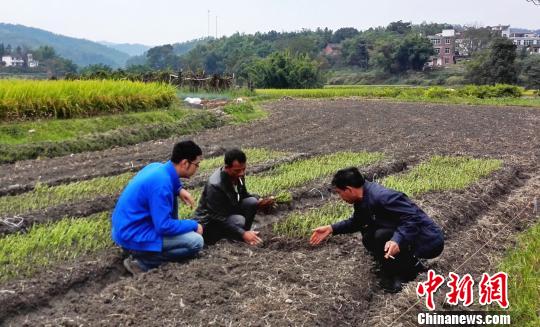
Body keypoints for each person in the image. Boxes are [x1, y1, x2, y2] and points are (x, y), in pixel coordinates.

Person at [310, 167, 444, 293]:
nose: (340, 198)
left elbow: (412, 219)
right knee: (368, 236)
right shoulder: (362, 198)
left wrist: (397, 240)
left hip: (428, 240)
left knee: (381, 235)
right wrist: (331, 228)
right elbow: (358, 222)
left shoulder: (383, 196)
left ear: (349, 189)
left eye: (339, 193)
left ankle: (412, 270)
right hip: (411, 234)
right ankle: (392, 265)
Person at [112, 140, 204, 274]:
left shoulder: (157, 167)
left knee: (173, 201)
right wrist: (193, 225)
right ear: (185, 163)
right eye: (197, 164)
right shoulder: (162, 185)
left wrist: (179, 190)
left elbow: (171, 183)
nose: (198, 168)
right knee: (196, 242)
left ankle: (144, 253)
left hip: (124, 229)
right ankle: (143, 263)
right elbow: (163, 226)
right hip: (133, 235)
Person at [195, 148, 275, 246]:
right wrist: (243, 233)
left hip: (228, 211)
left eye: (243, 169)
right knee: (238, 220)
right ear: (227, 167)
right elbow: (216, 217)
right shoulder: (215, 185)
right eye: (237, 170)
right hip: (210, 222)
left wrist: (260, 200)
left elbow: (244, 195)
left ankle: (244, 237)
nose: (241, 173)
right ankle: (239, 236)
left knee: (252, 202)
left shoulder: (238, 176)